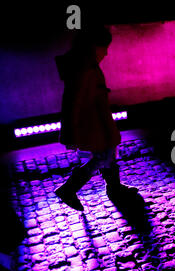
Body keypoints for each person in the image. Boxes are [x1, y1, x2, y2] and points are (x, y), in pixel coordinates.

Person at [54, 26, 137, 211]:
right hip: (94, 124)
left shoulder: (84, 66)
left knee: (108, 154)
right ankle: (69, 188)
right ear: (93, 46)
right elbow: (73, 102)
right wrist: (71, 132)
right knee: (103, 156)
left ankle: (114, 187)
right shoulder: (85, 70)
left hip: (97, 122)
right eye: (104, 47)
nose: (106, 53)